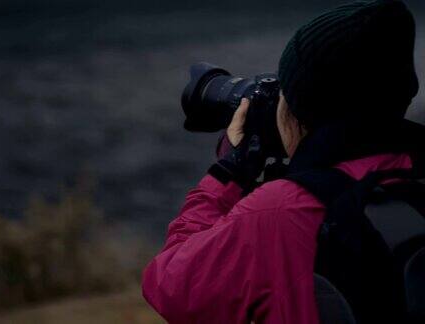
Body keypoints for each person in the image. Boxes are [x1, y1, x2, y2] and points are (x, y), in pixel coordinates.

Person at [142, 0, 424, 323]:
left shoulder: (282, 211)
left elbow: (171, 286)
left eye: (285, 90)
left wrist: (229, 169)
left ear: (306, 111)